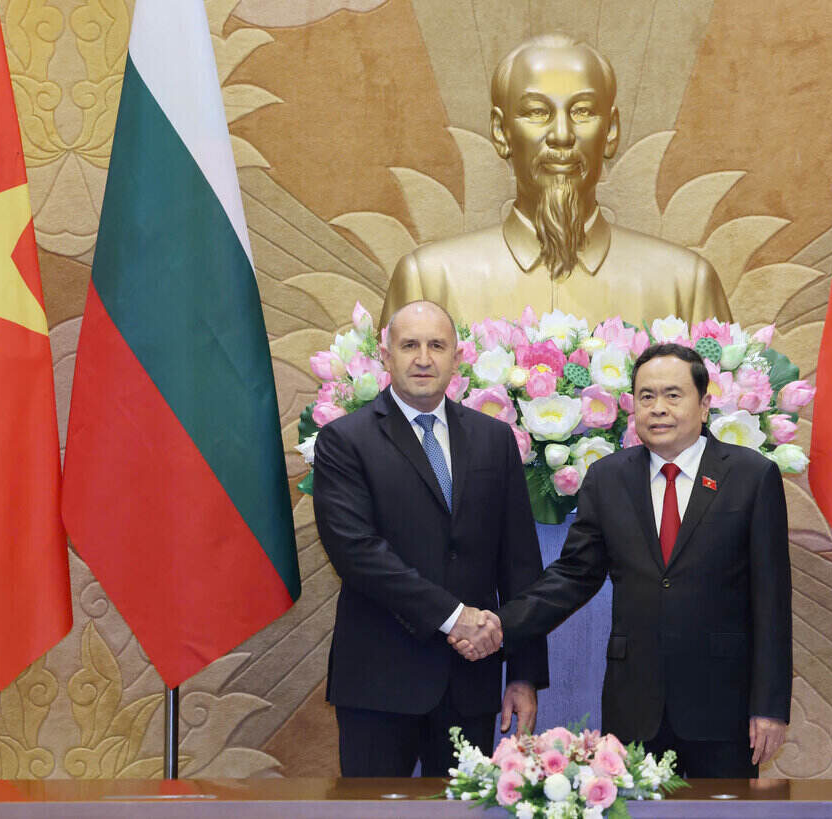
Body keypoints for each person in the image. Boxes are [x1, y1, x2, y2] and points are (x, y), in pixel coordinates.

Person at [456, 344, 791, 778]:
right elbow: (575, 574)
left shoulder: (751, 476)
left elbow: (772, 601)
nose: (658, 408)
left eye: (673, 395)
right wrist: (503, 625)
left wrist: (770, 707)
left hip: (723, 707)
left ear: (705, 404)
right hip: (635, 704)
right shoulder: (609, 477)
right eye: (646, 396)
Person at [312, 300, 548, 776]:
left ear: (456, 358)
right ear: (386, 355)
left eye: (436, 345)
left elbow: (519, 562)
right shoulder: (344, 440)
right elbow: (357, 553)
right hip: (379, 683)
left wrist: (523, 674)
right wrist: (453, 618)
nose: (423, 358)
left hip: (471, 683)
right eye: (410, 345)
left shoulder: (494, 439)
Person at [380, 34, 731, 328]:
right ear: (501, 132)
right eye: (537, 112)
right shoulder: (429, 281)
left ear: (610, 131)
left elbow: (721, 410)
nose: (561, 135)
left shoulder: (685, 287)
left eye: (582, 112)